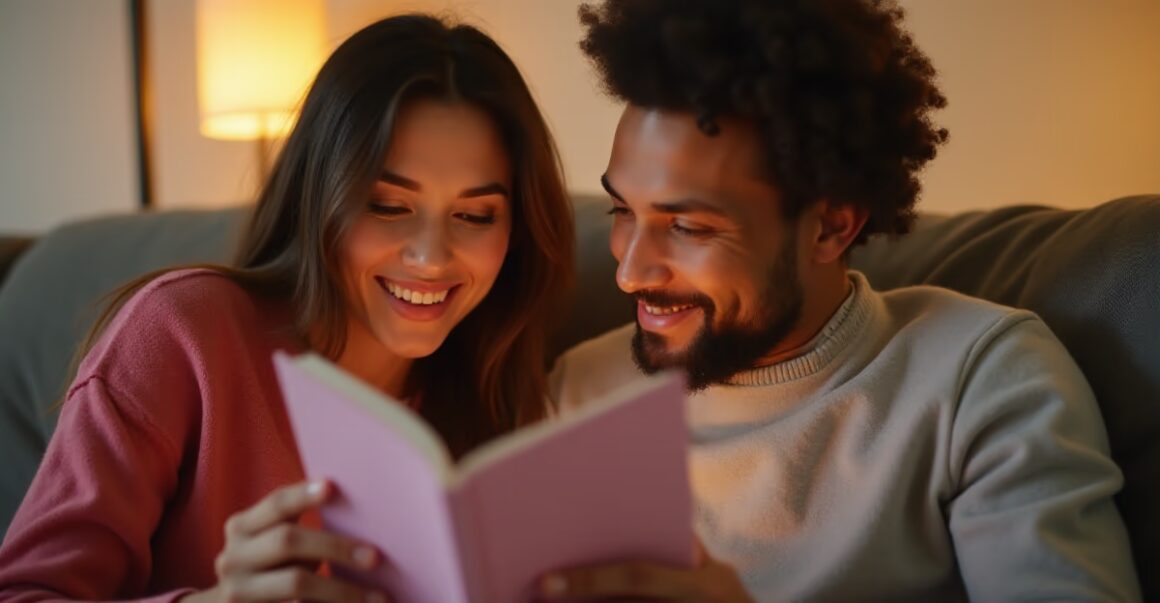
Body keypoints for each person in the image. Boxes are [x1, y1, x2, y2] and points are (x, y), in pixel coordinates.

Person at [542, 0, 1141, 600]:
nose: (629, 271)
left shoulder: (980, 381)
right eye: (622, 210)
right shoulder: (578, 393)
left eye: (688, 227)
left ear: (830, 227)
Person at [0, 14, 573, 603]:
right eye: (387, 206)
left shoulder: (506, 395)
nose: (431, 258)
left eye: (475, 216)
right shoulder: (183, 333)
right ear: (318, 196)